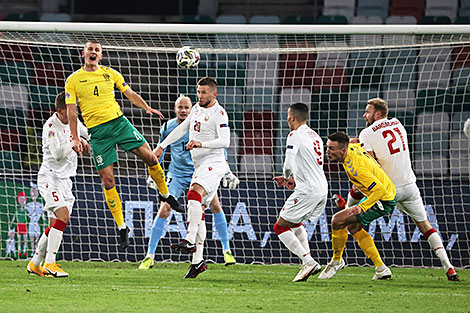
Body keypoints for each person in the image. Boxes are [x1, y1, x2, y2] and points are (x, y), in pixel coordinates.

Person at [65, 40, 181, 250]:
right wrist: (75, 137)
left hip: (119, 124)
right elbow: (72, 111)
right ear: (84, 53)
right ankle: (122, 226)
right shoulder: (73, 80)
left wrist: (146, 107)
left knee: (151, 158)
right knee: (108, 180)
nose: (93, 52)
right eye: (90, 49)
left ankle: (165, 193)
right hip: (98, 133)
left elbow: (129, 93)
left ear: (101, 55)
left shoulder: (111, 73)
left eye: (97, 50)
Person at [346, 97, 458, 281]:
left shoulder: (366, 133)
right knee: (426, 227)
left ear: (378, 113)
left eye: (368, 111)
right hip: (410, 186)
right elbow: (382, 141)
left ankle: (380, 267)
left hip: (390, 191)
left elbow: (373, 164)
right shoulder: (398, 124)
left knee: (353, 222)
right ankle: (449, 268)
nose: (364, 115)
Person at [138, 94, 238, 271]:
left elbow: (220, 147)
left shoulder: (201, 122)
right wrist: (152, 174)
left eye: (186, 108)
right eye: (180, 107)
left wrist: (227, 171)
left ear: (191, 109)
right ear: (175, 109)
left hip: (199, 170)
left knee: (214, 206)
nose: (183, 110)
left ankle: (226, 250)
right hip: (177, 173)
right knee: (165, 208)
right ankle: (149, 255)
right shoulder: (168, 127)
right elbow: (160, 150)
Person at [153, 77, 230, 278]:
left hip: (214, 162)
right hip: (200, 165)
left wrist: (200, 144)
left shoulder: (219, 113)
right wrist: (162, 146)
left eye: (204, 92)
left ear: (214, 94)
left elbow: (225, 141)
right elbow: (182, 129)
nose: (200, 96)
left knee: (193, 193)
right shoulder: (196, 108)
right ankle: (197, 262)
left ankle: (189, 238)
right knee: (199, 210)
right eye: (198, 92)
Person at [27, 91, 90, 277]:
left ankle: (35, 263)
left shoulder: (75, 122)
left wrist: (88, 140)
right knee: (63, 217)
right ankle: (50, 263)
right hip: (50, 178)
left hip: (65, 180)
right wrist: (75, 142)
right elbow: (57, 154)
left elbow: (90, 135)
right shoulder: (50, 127)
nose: (75, 112)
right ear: (61, 110)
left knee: (54, 224)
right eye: (71, 109)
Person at [319, 131, 395, 280]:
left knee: (337, 220)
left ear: (342, 150)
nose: (327, 152)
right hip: (382, 193)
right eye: (327, 147)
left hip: (381, 199)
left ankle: (336, 261)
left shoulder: (356, 168)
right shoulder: (351, 148)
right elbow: (356, 141)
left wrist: (362, 207)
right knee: (353, 227)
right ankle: (381, 268)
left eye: (331, 149)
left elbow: (379, 190)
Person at [272, 102, 327, 282]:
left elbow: (288, 164)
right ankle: (307, 263)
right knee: (294, 223)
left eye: (288, 116)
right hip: (321, 188)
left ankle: (308, 261)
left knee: (280, 226)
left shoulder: (294, 135)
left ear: (292, 117)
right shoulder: (315, 135)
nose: (287, 119)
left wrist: (287, 176)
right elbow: (310, 164)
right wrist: (295, 178)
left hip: (308, 190)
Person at [26, 183, 44, 256]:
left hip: (37, 224)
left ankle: (37, 252)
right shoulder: (28, 205)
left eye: (36, 191)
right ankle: (32, 251)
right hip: (31, 223)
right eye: (32, 191)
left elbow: (43, 216)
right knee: (31, 238)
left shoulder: (40, 205)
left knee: (37, 238)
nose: (34, 193)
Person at [13, 191, 28, 258]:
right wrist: (11, 223)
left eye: (23, 199)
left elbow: (29, 216)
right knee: (19, 239)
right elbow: (14, 217)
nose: (22, 200)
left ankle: (24, 252)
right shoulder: (18, 209)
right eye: (20, 199)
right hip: (19, 225)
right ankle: (19, 252)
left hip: (24, 225)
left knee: (25, 239)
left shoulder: (26, 210)